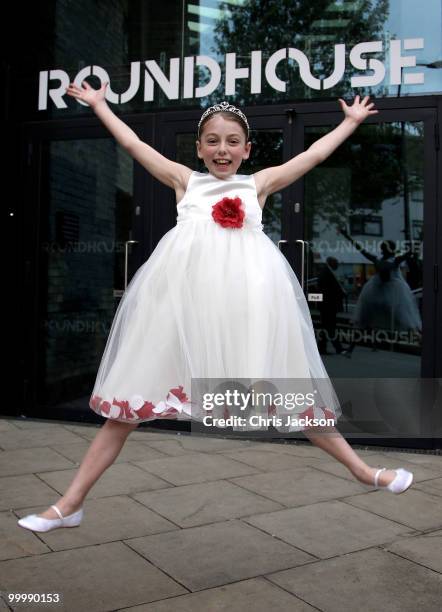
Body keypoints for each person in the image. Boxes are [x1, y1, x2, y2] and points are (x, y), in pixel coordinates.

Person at [18, 89, 413, 533]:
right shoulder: (185, 182)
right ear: (199, 147)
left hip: (244, 313)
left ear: (247, 149)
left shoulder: (258, 184)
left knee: (294, 396)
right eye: (211, 140)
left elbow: (314, 155)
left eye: (231, 141)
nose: (221, 149)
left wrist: (351, 123)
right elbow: (132, 143)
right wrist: (100, 106)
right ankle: (70, 503)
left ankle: (363, 471)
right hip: (181, 314)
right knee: (124, 412)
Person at [338, 230, 422, 356]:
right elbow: (361, 249)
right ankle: (351, 349)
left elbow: (361, 249)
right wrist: (347, 236)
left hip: (386, 292)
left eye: (383, 248)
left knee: (369, 320)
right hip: (382, 292)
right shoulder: (389, 259)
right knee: (366, 320)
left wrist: (421, 238)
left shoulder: (391, 259)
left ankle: (351, 349)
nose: (383, 250)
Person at [317, 256, 347, 354]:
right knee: (330, 327)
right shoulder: (326, 273)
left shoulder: (327, 272)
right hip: (328, 306)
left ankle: (323, 348)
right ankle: (338, 348)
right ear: (331, 263)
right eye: (336, 263)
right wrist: (340, 293)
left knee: (327, 327)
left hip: (327, 305)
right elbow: (327, 290)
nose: (338, 265)